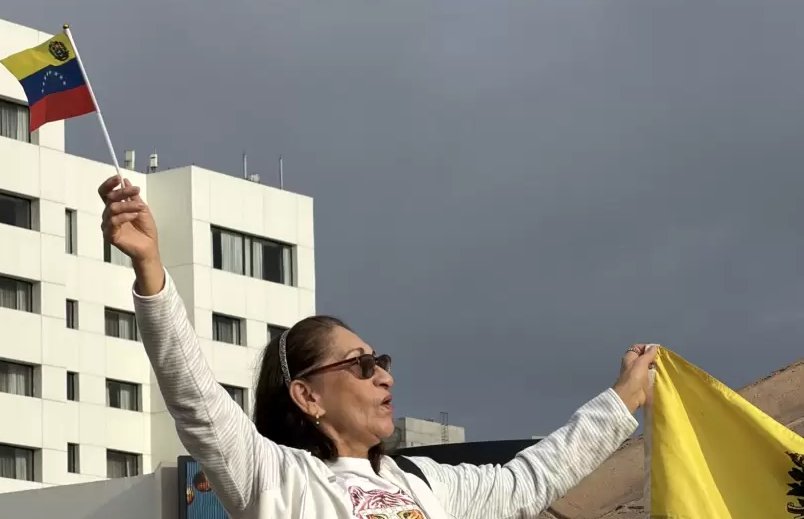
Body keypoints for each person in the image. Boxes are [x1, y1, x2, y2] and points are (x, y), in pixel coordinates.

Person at [99, 175, 656, 519]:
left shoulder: (426, 484)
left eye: (381, 362)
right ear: (307, 396)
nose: (385, 377)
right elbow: (195, 398)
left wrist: (623, 399)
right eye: (361, 365)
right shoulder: (277, 479)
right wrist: (151, 268)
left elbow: (527, 481)